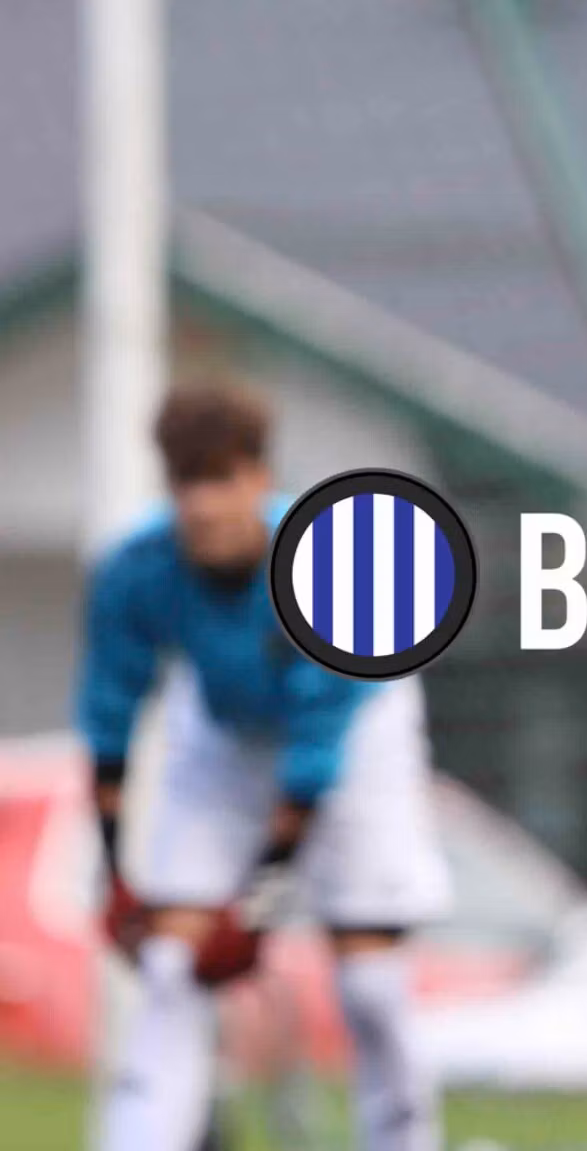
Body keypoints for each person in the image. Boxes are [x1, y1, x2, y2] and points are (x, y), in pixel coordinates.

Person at [81, 382, 451, 1151]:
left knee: (370, 984)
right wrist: (117, 873)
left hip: (357, 734)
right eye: (186, 482)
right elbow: (111, 718)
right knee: (170, 968)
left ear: (259, 477)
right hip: (225, 728)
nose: (202, 505)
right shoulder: (137, 570)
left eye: (220, 480)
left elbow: (317, 752)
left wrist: (253, 903)